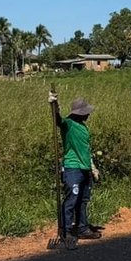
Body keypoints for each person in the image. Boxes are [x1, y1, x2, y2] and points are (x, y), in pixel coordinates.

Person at [49, 91, 101, 250]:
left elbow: (86, 148)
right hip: (73, 168)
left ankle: (83, 227)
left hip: (85, 168)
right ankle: (66, 231)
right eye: (86, 113)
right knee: (71, 199)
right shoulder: (69, 124)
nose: (88, 115)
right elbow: (57, 120)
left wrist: (92, 167)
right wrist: (54, 104)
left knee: (83, 201)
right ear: (80, 113)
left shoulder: (83, 127)